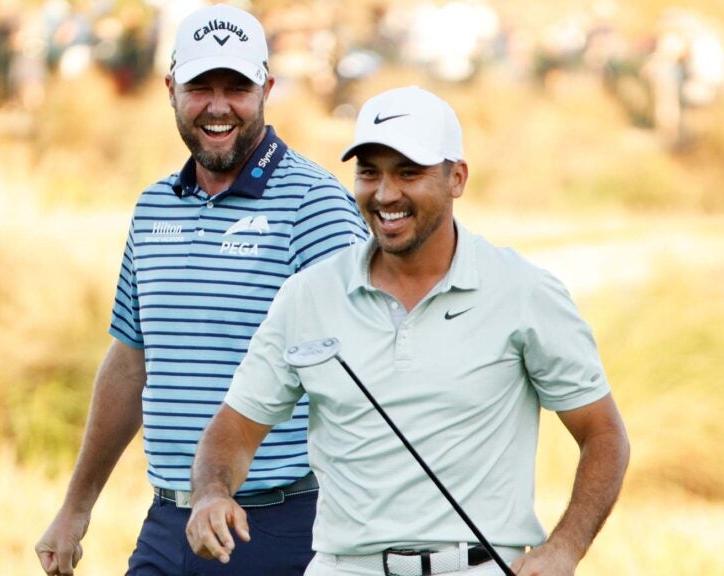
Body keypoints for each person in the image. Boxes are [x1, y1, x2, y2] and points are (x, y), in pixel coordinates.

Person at [185, 86, 630, 576]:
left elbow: (603, 433)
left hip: (480, 567)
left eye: (408, 173)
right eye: (369, 172)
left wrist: (565, 547)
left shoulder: (524, 292)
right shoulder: (307, 295)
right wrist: (211, 493)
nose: (385, 194)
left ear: (456, 177)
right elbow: (235, 428)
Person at [34, 4, 368, 576]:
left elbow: (367, 369)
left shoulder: (316, 206)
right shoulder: (153, 207)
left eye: (236, 87)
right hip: (169, 521)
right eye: (200, 87)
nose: (218, 107)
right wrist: (75, 508)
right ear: (170, 89)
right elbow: (131, 360)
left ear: (266, 86)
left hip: (280, 524)